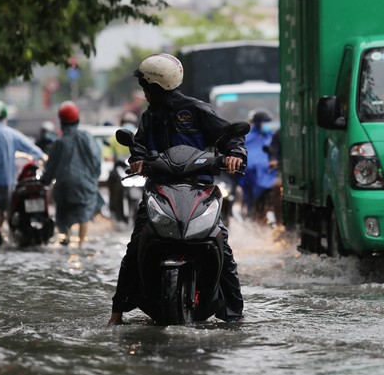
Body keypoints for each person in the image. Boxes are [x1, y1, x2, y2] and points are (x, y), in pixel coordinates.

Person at [108, 54, 247, 325]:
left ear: (156, 86)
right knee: (137, 245)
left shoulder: (197, 110)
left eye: (145, 86)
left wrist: (234, 154)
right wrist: (137, 160)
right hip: (160, 190)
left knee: (221, 245)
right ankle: (116, 313)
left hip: (200, 189)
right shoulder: (148, 117)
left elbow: (230, 135)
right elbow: (138, 146)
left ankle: (234, 315)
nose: (143, 91)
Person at [0, 101, 45, 249]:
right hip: (5, 181)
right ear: (5, 118)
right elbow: (35, 151)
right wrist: (44, 158)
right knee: (3, 212)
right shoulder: (11, 134)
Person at [40, 101, 102, 246]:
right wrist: (94, 177)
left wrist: (45, 181)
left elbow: (50, 167)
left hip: (63, 186)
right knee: (84, 214)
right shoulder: (86, 137)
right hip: (84, 186)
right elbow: (96, 159)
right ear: (77, 119)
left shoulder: (59, 142)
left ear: (61, 121)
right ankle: (81, 243)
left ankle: (65, 237)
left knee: (63, 213)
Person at [238, 109, 278, 224]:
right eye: (265, 122)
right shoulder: (248, 138)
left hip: (271, 173)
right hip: (252, 175)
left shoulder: (271, 136)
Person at [107, 112, 138, 223]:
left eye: (131, 123)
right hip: (120, 167)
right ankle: (112, 206)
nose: (129, 125)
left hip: (138, 167)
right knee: (111, 181)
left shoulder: (139, 135)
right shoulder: (114, 138)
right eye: (127, 122)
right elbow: (107, 152)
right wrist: (108, 157)